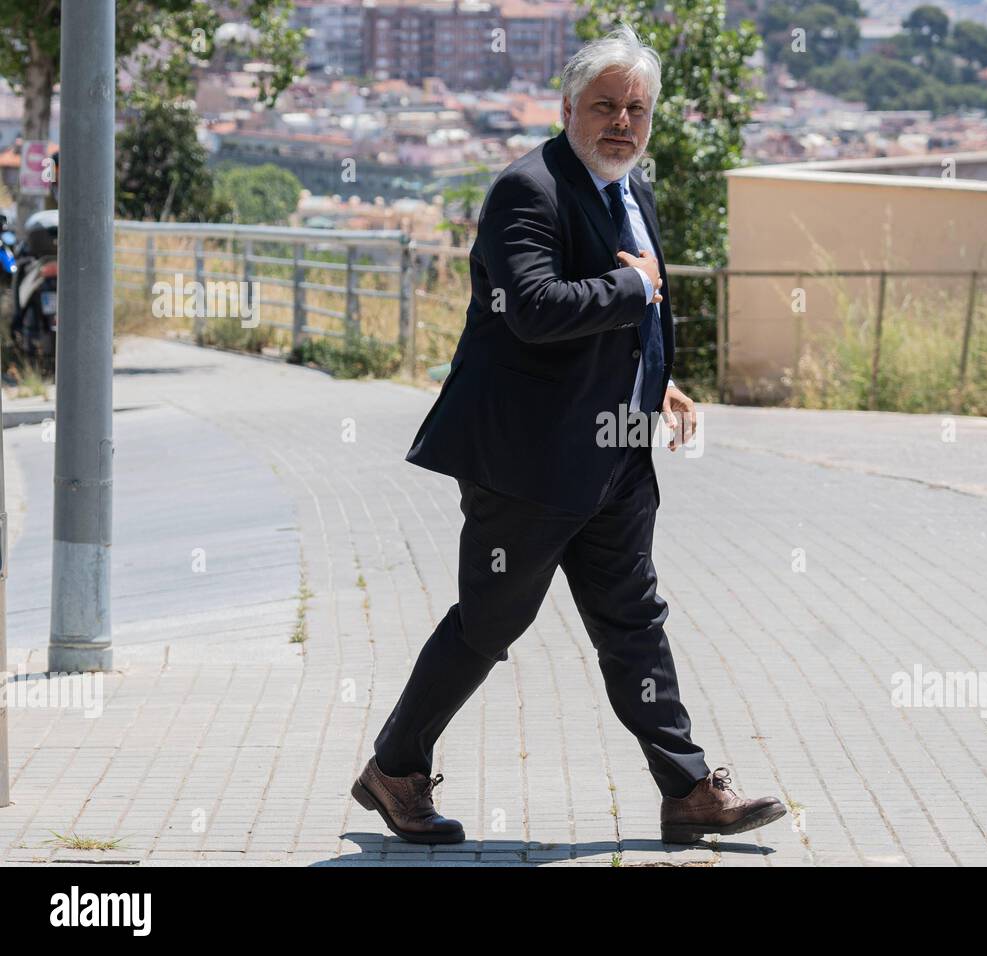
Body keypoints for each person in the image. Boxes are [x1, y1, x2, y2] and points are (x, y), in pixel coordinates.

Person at [351, 23, 786, 847]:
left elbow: (634, 315)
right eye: (605, 106)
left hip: (616, 457)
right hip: (528, 463)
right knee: (489, 625)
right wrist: (632, 284)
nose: (623, 122)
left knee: (634, 621)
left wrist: (660, 386)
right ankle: (395, 769)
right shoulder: (529, 190)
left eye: (637, 108)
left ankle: (689, 789)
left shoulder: (632, 188)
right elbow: (539, 309)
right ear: (567, 108)